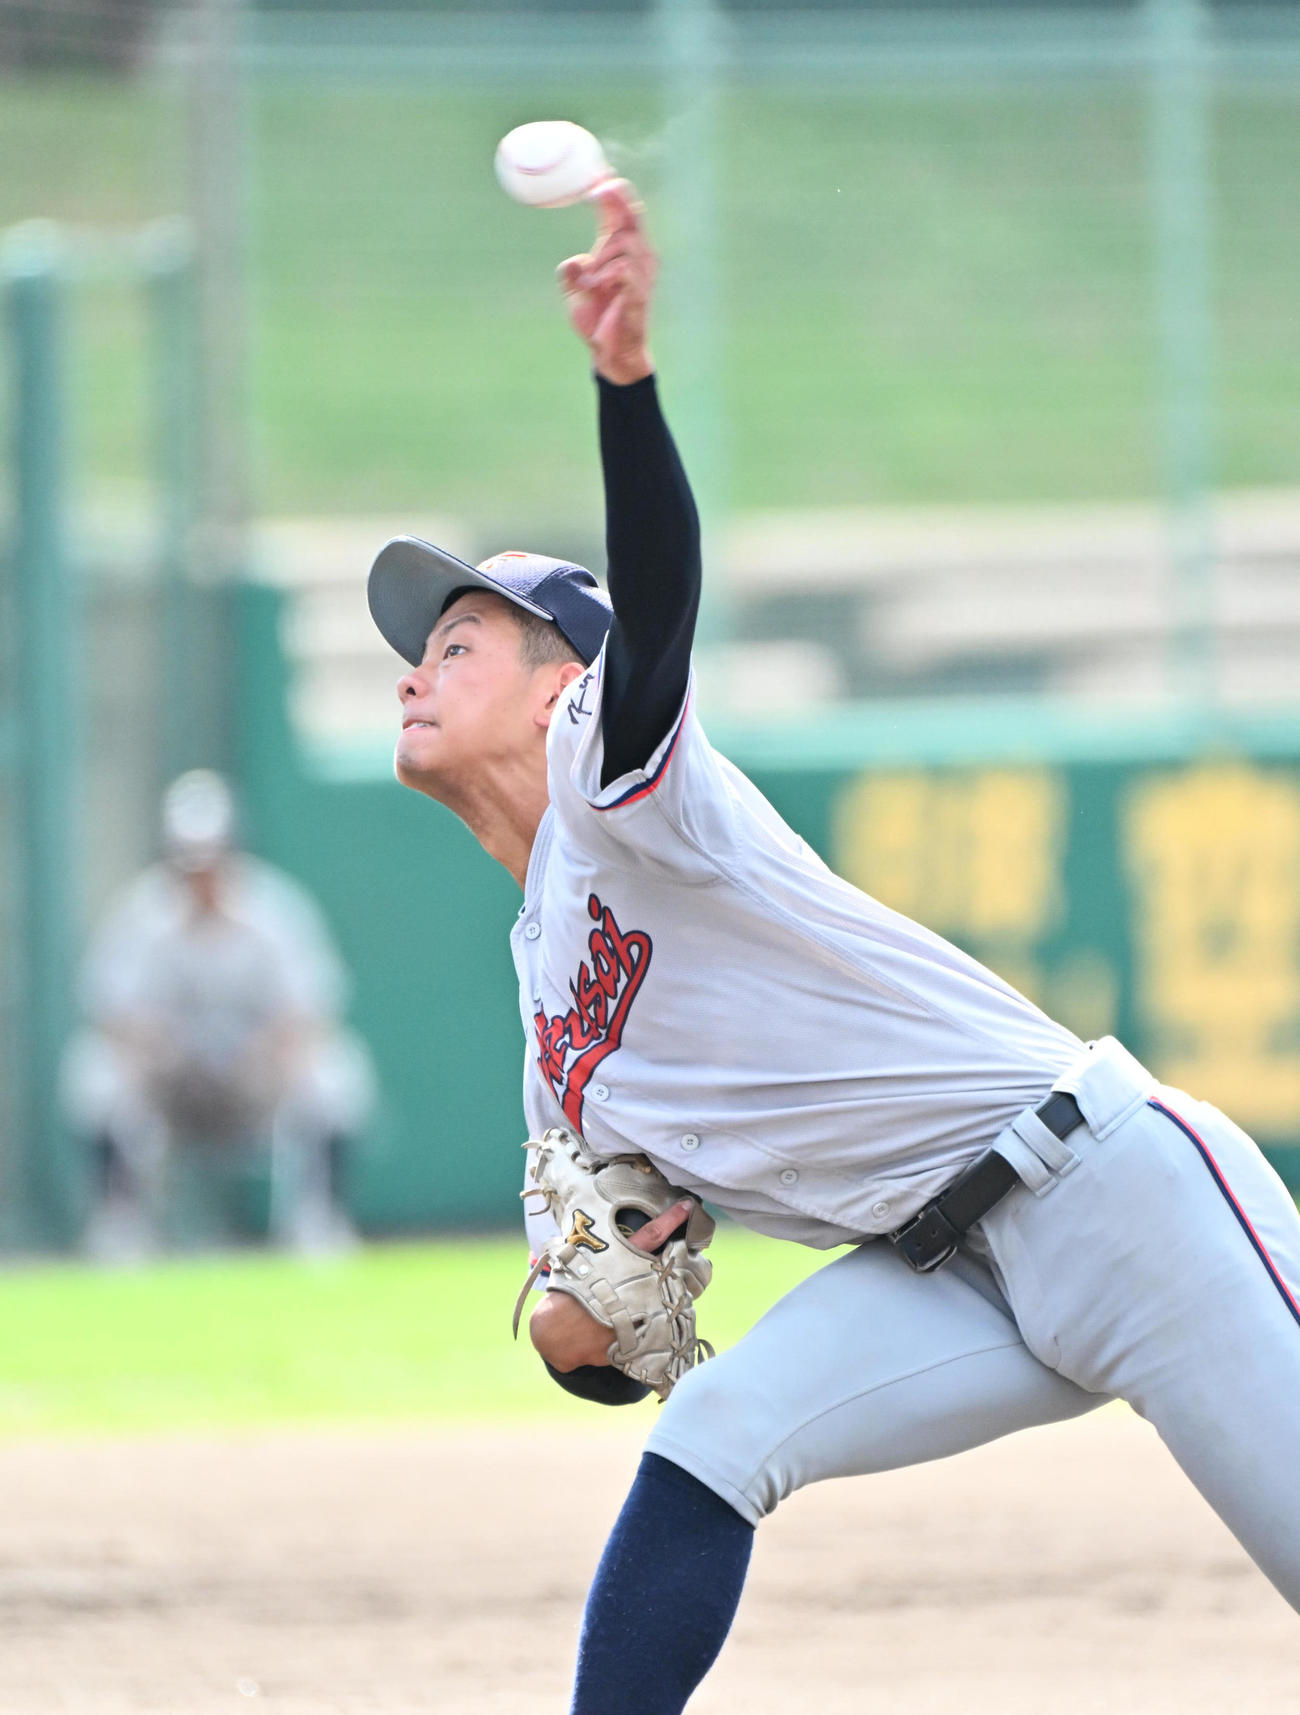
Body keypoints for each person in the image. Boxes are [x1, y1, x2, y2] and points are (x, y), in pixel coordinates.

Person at [366, 182, 1300, 1711]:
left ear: (560, 691)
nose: (418, 665)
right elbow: (607, 1346)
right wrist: (580, 1320)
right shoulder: (549, 1002)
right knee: (711, 1436)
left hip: (1120, 1197)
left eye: (458, 641)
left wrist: (625, 388)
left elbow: (656, 603)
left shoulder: (625, 783)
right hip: (947, 1274)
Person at [63, 770, 374, 1258]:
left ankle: (319, 1221)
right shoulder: (142, 915)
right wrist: (157, 1049)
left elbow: (310, 1015)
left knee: (336, 1071)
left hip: (255, 1080)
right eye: (189, 863)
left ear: (230, 852)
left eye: (209, 860)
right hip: (172, 1080)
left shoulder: (274, 911)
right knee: (95, 1073)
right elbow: (113, 1017)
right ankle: (118, 1226)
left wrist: (268, 1053)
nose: (200, 876)